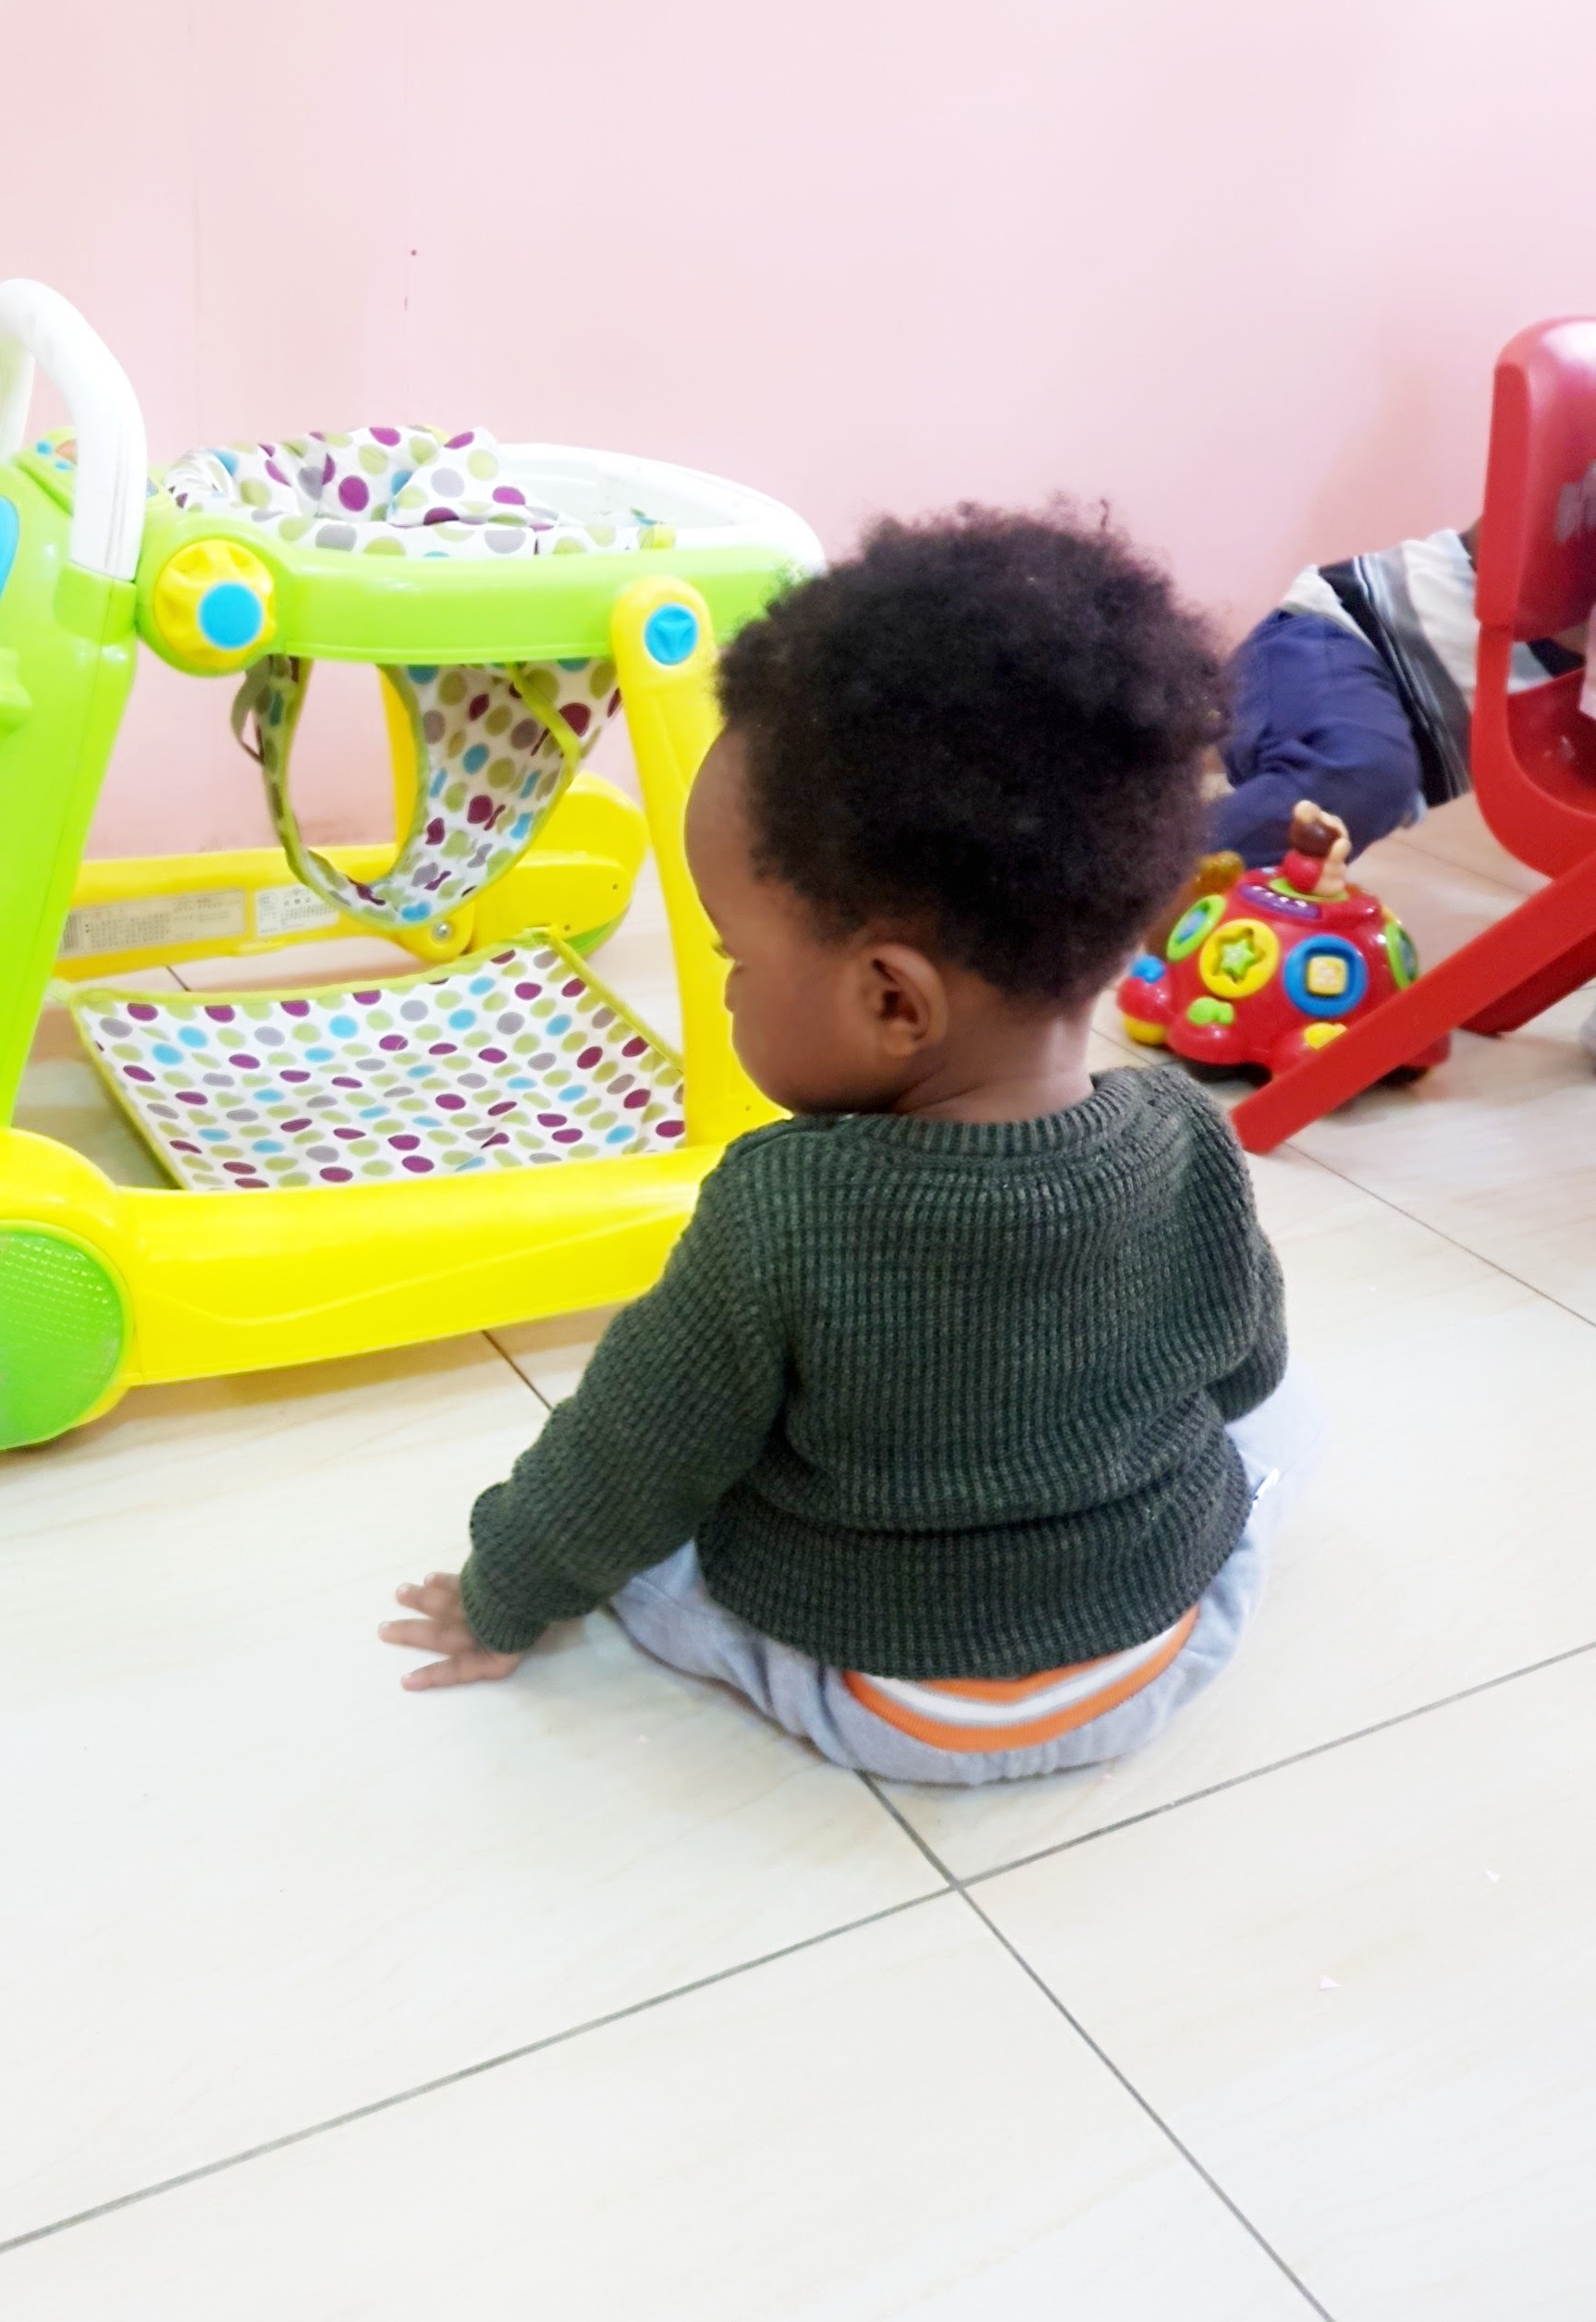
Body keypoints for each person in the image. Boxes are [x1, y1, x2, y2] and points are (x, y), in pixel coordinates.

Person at [378, 510, 1316, 1786]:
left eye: (732, 957)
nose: (721, 989)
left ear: (892, 1002)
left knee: (657, 1544)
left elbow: (624, 1458)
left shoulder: (784, 1208)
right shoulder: (1188, 1133)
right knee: (1281, 1429)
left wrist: (504, 1592)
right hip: (1164, 1646)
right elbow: (1251, 1369)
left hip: (889, 1698)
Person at [1211, 521, 1585, 871]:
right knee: (1361, 776)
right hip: (1342, 636)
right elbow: (1514, 526)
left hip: (1392, 749)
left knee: (1354, 795)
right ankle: (1180, 869)